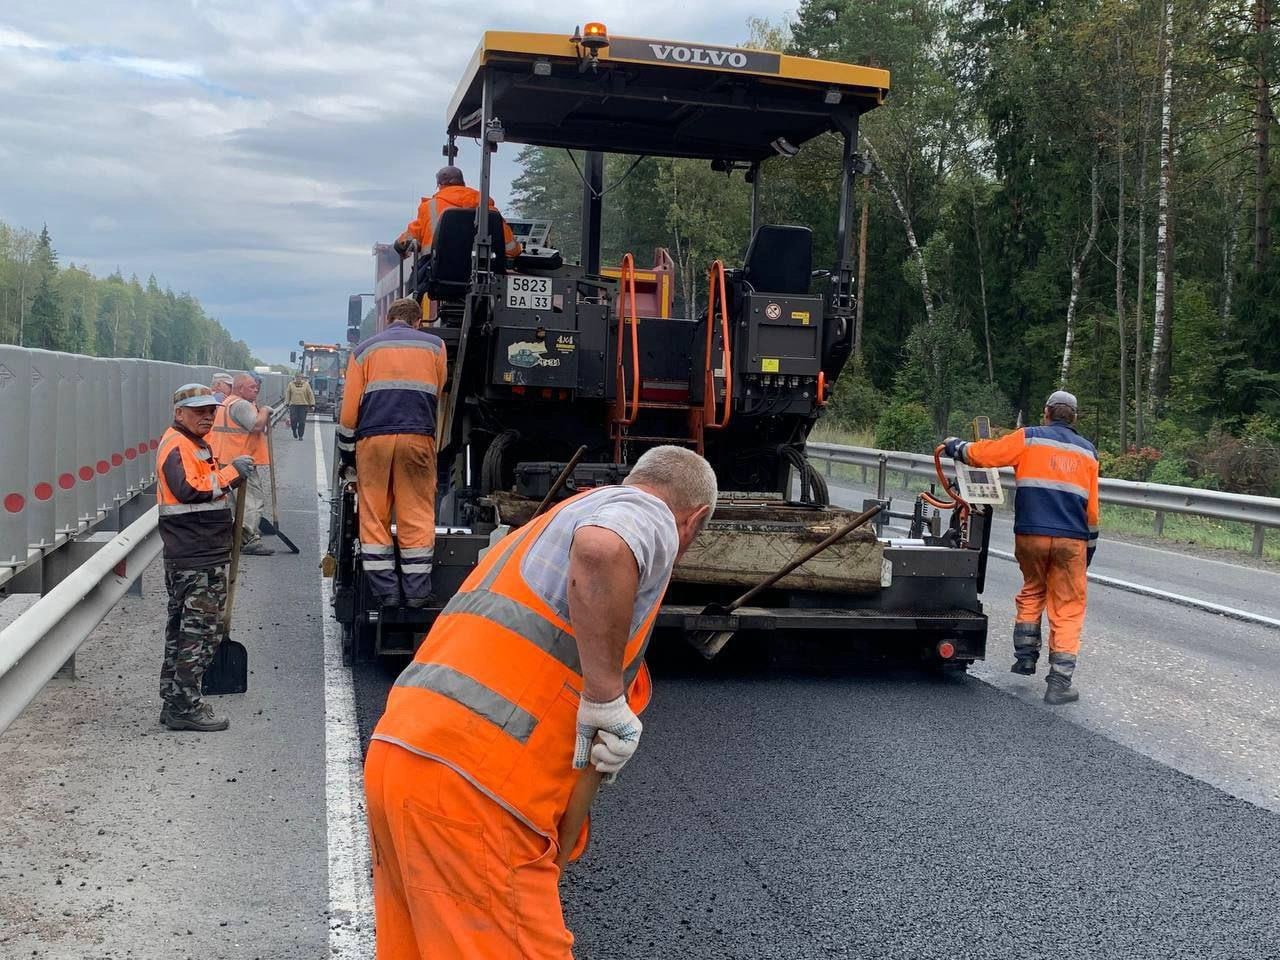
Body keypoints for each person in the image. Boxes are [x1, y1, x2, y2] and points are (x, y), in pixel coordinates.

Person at [364, 445, 717, 959]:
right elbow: (602, 550)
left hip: (403, 760)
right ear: (696, 520)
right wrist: (604, 699)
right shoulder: (650, 513)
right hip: (475, 792)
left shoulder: (552, 520)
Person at [944, 390, 1100, 705]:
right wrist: (1089, 549)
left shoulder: (1029, 438)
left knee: (1033, 588)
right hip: (1072, 539)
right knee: (1067, 606)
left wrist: (955, 447)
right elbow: (1092, 512)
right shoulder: (1088, 452)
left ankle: (1025, 657)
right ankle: (1059, 683)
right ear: (1075, 417)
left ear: (1046, 412)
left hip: (1030, 535)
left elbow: (984, 455)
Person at [156, 384, 254, 732]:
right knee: (199, 633)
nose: (208, 416)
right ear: (179, 413)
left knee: (183, 632)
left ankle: (174, 701)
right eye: (198, 411)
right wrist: (231, 474)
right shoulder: (178, 445)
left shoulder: (196, 444)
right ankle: (185, 706)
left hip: (200, 551)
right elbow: (189, 490)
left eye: (211, 410)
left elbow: (203, 481)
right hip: (194, 555)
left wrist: (227, 471)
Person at [339, 297, 447, 606]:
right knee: (416, 513)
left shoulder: (364, 351)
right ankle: (416, 593)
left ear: (388, 320)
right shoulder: (435, 346)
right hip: (417, 437)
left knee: (374, 514)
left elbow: (349, 412)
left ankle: (386, 591)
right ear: (417, 321)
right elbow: (438, 390)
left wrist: (348, 453)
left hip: (373, 441)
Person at [393, 165, 522, 262]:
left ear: (439, 185)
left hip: (438, 276)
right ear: (463, 183)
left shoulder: (429, 207)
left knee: (414, 290)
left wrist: (399, 245)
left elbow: (411, 236)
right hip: (486, 278)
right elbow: (512, 250)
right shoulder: (489, 210)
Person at [209, 373, 275, 556]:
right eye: (252, 387)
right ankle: (249, 538)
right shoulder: (241, 405)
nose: (256, 390)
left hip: (225, 458)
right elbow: (255, 425)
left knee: (231, 501)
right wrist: (265, 411)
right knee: (251, 500)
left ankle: (233, 536)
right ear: (240, 388)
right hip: (241, 461)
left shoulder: (227, 402)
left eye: (256, 387)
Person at [285, 373, 316, 440]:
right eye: (297, 377)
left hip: (303, 405)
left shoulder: (306, 384)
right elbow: (288, 394)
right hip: (293, 405)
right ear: (295, 377)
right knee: (293, 420)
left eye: (300, 377)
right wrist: (287, 403)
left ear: (302, 378)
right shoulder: (291, 384)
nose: (298, 378)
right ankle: (294, 430)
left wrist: (312, 404)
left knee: (302, 422)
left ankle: (300, 435)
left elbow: (310, 394)